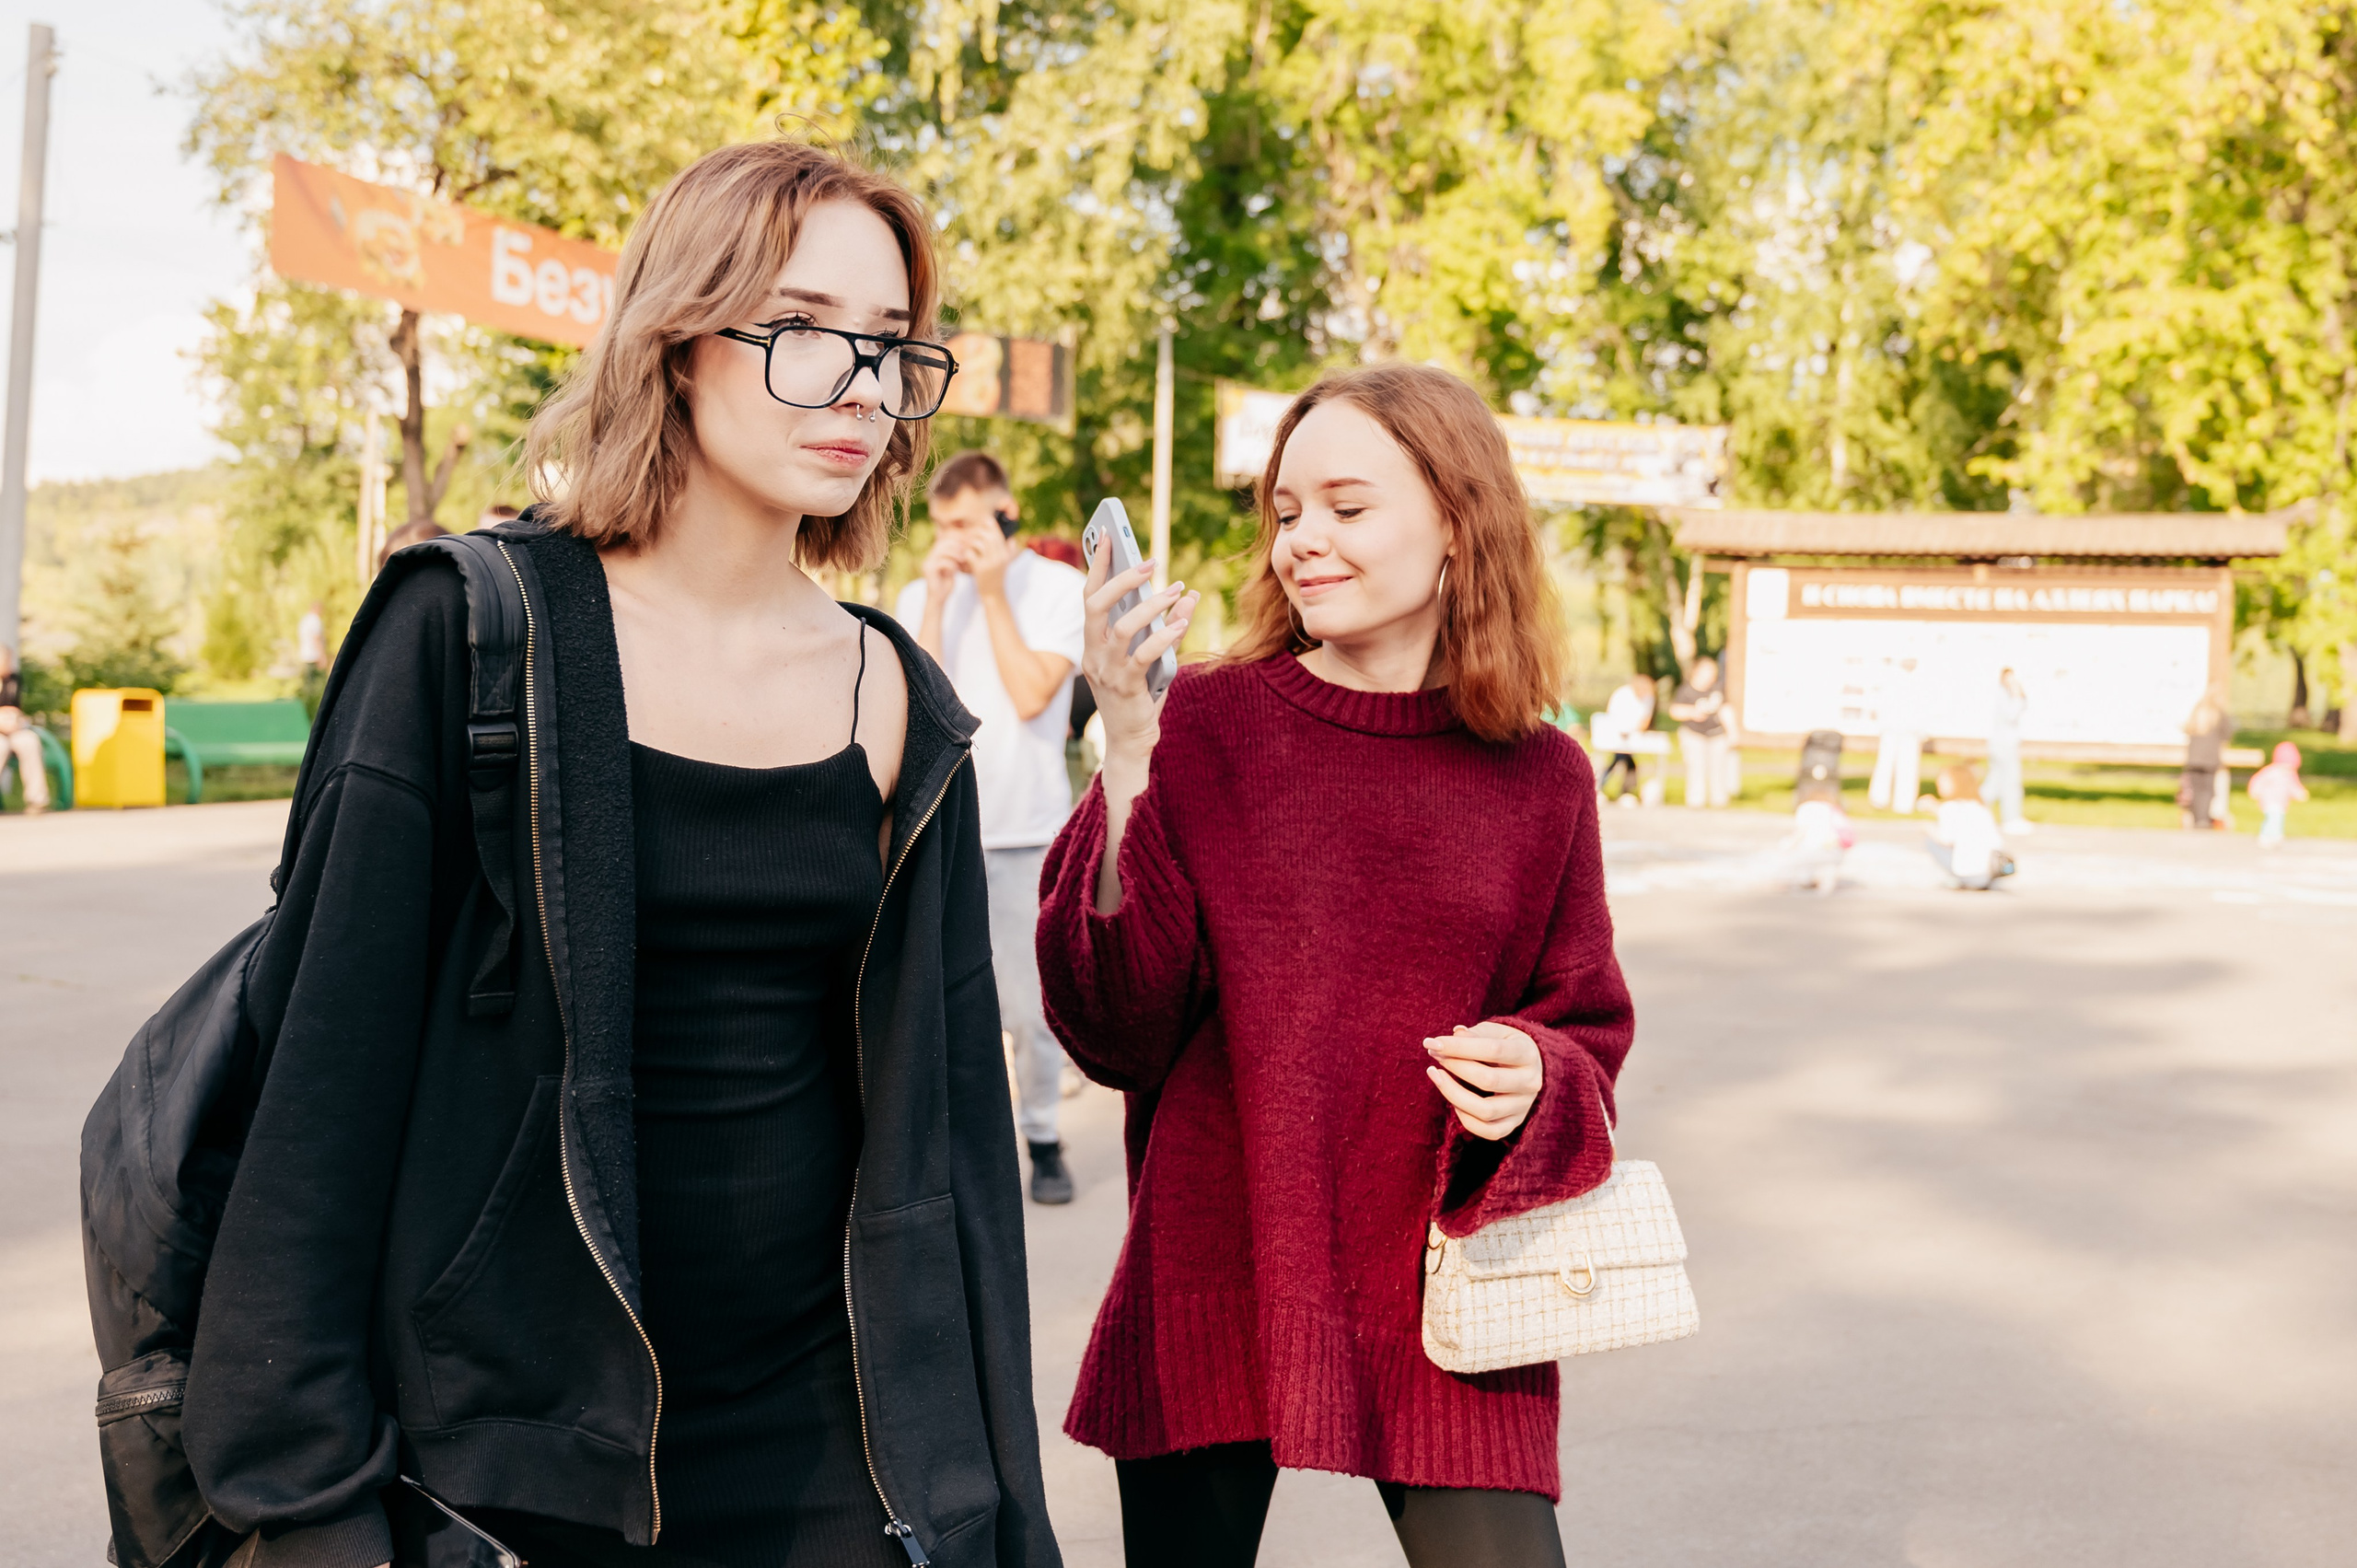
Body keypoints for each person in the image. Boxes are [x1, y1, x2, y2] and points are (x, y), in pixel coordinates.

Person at [180, 141, 1060, 1568]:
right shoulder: (473, 632)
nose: (860, 383)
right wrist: (307, 1495)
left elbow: (948, 1154)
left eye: (893, 343)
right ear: (677, 339)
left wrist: (1002, 1509)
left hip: (826, 1441)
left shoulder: (900, 695)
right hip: (514, 1439)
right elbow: (321, 1082)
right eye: (802, 328)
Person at [1037, 364, 1631, 1568]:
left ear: (1458, 519)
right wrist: (1130, 740)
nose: (1303, 537)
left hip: (1446, 1286)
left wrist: (1537, 1067)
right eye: (1286, 510)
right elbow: (1114, 1023)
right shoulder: (1203, 721)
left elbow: (1588, 1027)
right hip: (1216, 1274)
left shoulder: (1545, 776)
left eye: (1346, 506)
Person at [895, 451, 1087, 1205]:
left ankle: (1041, 1137)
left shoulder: (1056, 588)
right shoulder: (921, 593)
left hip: (1026, 831)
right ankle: (953, 1151)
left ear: (1006, 516)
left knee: (1029, 1012)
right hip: (941, 828)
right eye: (943, 525)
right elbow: (920, 706)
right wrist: (939, 602)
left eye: (968, 524)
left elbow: (1034, 694)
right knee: (938, 1008)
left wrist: (995, 593)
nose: (954, 539)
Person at [1928, 764, 2014, 889]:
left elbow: (1946, 839)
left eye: (1943, 782)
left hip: (1970, 875)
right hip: (1993, 872)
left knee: (1931, 842)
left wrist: (1929, 830)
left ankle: (1956, 877)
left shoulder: (1949, 807)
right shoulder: (1980, 807)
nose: (1938, 784)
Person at [1669, 655, 1733, 808]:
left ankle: (1719, 801)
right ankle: (1696, 801)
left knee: (1718, 768)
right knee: (1696, 767)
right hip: (1694, 734)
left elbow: (1725, 709)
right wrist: (1692, 712)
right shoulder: (1686, 691)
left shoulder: (1717, 689)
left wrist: (1732, 732)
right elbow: (1674, 710)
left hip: (1716, 733)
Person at [1868, 656, 1925, 813]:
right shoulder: (1890, 678)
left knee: (1908, 767)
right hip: (1891, 728)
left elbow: (1924, 707)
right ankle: (1879, 799)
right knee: (1885, 764)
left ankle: (1904, 804)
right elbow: (1880, 703)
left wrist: (1922, 730)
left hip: (1911, 731)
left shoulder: (1920, 680)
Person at [1590, 672, 1656, 804]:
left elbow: (1645, 719)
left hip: (1633, 735)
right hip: (1617, 734)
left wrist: (1636, 730)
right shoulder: (1622, 695)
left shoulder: (1648, 697)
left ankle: (1605, 787)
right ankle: (1618, 789)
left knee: (1622, 760)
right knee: (1622, 760)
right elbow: (1613, 716)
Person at [0, 643, 51, 815]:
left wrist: (15, 719)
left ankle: (37, 800)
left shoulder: (14, 680)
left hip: (13, 728)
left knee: (29, 742)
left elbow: (18, 707)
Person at [2179, 684, 2234, 830]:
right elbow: (2227, 734)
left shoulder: (2197, 711)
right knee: (2207, 789)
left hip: (2193, 757)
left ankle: (2197, 818)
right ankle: (2203, 819)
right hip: (2210, 758)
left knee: (2196, 789)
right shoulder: (2219, 714)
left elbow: (2187, 729)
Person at [1984, 667, 2031, 831]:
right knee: (2010, 780)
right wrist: (2017, 695)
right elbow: (2011, 714)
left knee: (1995, 781)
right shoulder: (2003, 694)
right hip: (2004, 743)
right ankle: (2011, 818)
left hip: (2002, 742)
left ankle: (1976, 809)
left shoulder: (2005, 693)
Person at [2247, 740, 2308, 847]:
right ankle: (2267, 835)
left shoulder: (2289, 775)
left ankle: (2275, 834)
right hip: (2269, 800)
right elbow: (2259, 780)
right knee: (2273, 818)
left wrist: (2300, 793)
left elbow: (2293, 787)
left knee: (2278, 818)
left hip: (2281, 802)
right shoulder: (2272, 771)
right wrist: (2255, 790)